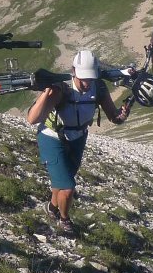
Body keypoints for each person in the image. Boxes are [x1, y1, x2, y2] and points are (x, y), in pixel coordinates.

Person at [26, 49, 131, 235]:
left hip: (78, 138)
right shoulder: (61, 89)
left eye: (90, 78)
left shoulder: (98, 87)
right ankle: (64, 220)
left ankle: (51, 208)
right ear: (74, 71)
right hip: (52, 138)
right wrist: (47, 92)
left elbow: (114, 118)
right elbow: (33, 119)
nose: (86, 83)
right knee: (68, 187)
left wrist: (122, 114)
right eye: (83, 78)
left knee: (62, 180)